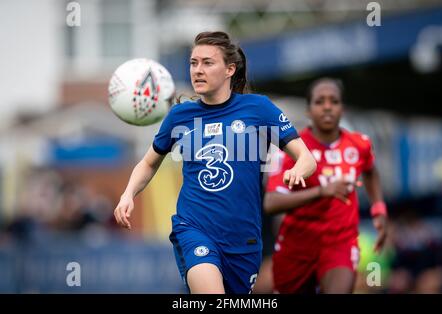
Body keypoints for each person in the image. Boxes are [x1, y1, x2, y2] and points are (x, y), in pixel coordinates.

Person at [114, 31, 317, 294]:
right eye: (193, 63)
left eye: (207, 63)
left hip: (244, 241)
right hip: (194, 229)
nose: (197, 70)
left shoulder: (259, 109)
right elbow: (149, 163)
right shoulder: (180, 116)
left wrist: (297, 170)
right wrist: (128, 194)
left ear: (230, 69)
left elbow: (306, 158)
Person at [264, 78, 388, 294]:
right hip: (297, 245)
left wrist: (378, 207)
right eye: (320, 101)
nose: (328, 106)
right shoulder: (292, 150)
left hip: (340, 242)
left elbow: (370, 171)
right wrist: (321, 191)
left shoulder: (360, 144)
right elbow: (271, 203)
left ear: (343, 108)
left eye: (334, 101)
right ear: (309, 111)